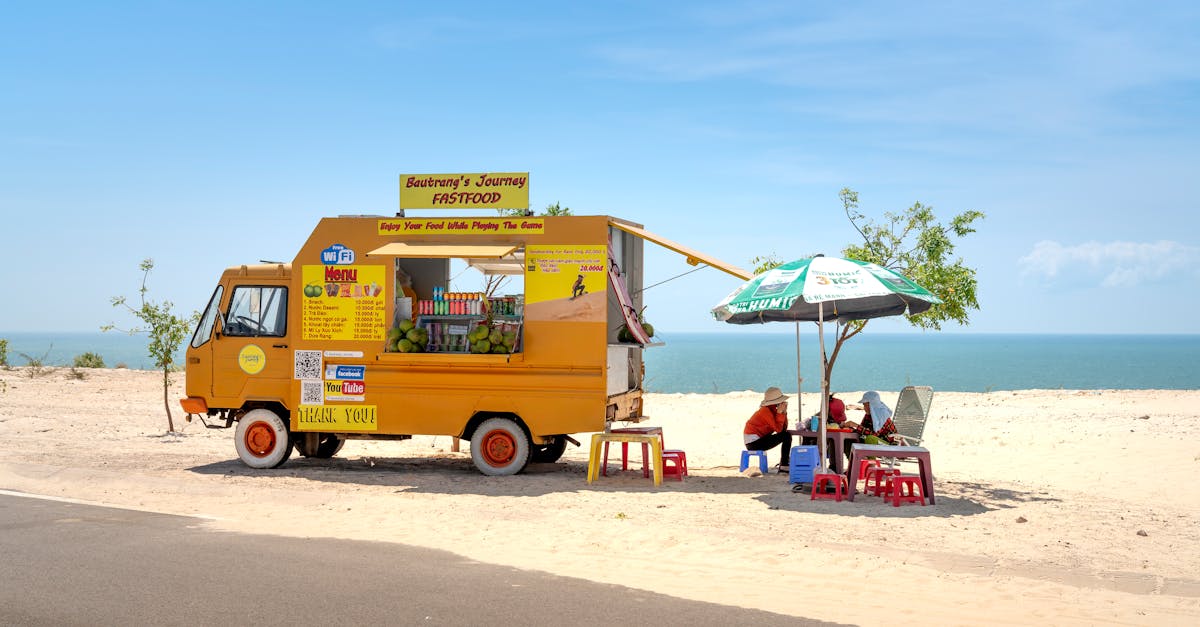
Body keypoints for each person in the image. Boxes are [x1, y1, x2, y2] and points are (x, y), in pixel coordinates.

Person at [743, 387, 793, 473]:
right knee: (786, 436)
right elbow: (779, 430)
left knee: (786, 435)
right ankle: (784, 464)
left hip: (759, 439)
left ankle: (784, 462)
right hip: (753, 443)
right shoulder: (765, 412)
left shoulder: (772, 410)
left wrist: (784, 413)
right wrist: (780, 413)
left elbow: (784, 428)